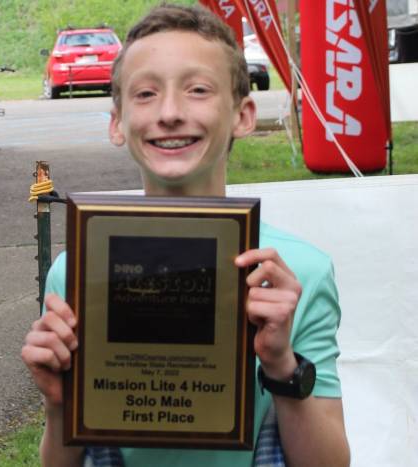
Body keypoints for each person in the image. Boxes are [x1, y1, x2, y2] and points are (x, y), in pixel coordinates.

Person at [21, 4, 350, 466]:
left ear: (243, 115)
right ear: (117, 122)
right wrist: (59, 405)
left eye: (197, 90)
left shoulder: (297, 277)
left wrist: (281, 366)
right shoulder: (76, 271)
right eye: (145, 93)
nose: (171, 113)